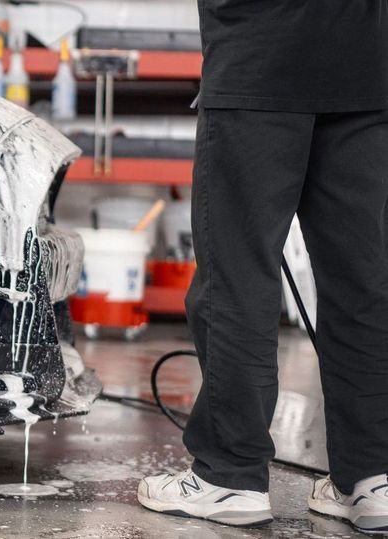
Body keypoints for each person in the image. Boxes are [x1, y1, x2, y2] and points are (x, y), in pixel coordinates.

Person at [135, 0, 388, 533]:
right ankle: (371, 479)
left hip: (261, 59)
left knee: (239, 277)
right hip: (367, 63)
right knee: (362, 282)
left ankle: (231, 474)